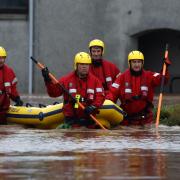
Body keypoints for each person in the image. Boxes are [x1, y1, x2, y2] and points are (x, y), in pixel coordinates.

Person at [106, 50, 171, 126]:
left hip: (146, 121)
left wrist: (165, 68)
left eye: (139, 62)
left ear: (142, 63)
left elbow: (163, 79)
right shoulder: (121, 78)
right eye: (134, 62)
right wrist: (107, 103)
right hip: (127, 122)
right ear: (129, 63)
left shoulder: (149, 75)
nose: (137, 65)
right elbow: (112, 93)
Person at [41, 52, 105, 128]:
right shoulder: (66, 80)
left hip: (89, 121)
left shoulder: (96, 81)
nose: (84, 67)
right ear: (76, 65)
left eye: (87, 64)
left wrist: (93, 107)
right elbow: (53, 93)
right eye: (82, 64)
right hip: (71, 122)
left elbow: (100, 97)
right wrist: (47, 80)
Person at [0, 46, 23, 124]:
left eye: (3, 58)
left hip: (3, 111)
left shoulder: (8, 71)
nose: (1, 60)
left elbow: (12, 88)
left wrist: (17, 99)